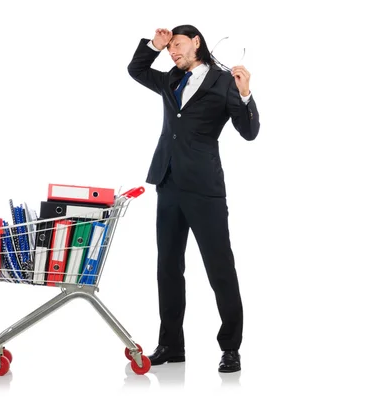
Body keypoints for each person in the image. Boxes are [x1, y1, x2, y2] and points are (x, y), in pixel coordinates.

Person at [127, 25, 260, 373]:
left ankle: (230, 347)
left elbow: (248, 132)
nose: (173, 52)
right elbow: (136, 70)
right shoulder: (171, 78)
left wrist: (246, 95)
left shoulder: (223, 82)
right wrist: (152, 45)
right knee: (168, 268)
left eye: (177, 45)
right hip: (167, 182)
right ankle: (171, 345)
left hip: (204, 188)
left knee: (220, 269)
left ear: (196, 42)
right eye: (169, 48)